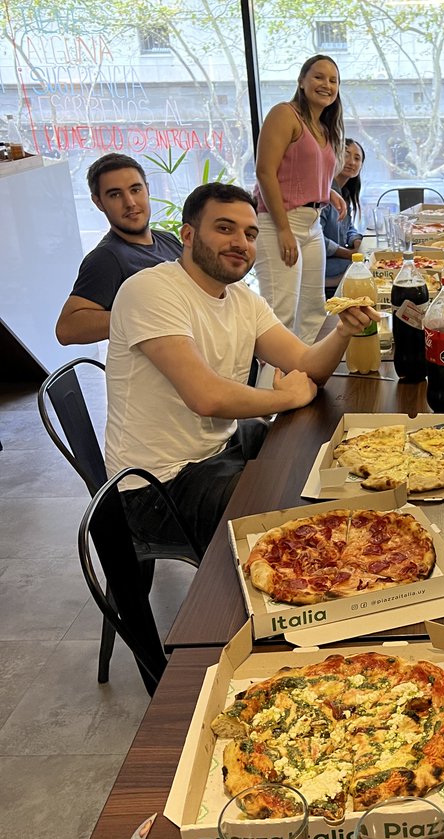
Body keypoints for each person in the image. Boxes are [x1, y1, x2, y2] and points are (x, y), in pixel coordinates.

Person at [104, 181, 376, 552]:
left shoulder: (242, 298)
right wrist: (283, 398)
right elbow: (207, 397)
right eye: (224, 228)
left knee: (326, 461)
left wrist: (343, 329)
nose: (240, 243)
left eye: (249, 234)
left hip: (221, 451)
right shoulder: (150, 290)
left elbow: (305, 365)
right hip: (156, 486)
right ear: (187, 234)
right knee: (296, 523)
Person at [253, 54, 347, 344]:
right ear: (302, 82)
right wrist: (283, 229)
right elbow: (265, 171)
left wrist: (326, 192)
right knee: (280, 314)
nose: (326, 85)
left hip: (312, 224)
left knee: (314, 311)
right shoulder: (285, 114)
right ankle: (270, 386)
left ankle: (302, 376)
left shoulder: (323, 127)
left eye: (333, 80)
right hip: (279, 221)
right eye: (319, 77)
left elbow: (301, 169)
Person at [55, 152, 182, 345]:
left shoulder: (168, 240)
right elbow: (67, 329)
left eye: (135, 190)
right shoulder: (107, 258)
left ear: (147, 190)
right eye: (115, 195)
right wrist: (146, 316)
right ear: (98, 202)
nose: (129, 202)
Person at [322, 138, 364, 294]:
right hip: (324, 265)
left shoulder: (344, 193)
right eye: (346, 155)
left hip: (338, 261)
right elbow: (316, 237)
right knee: (365, 271)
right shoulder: (323, 193)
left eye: (357, 158)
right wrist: (348, 254)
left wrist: (356, 239)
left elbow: (348, 227)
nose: (351, 162)